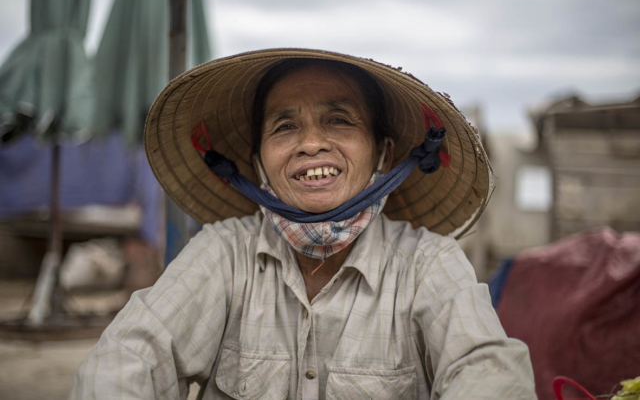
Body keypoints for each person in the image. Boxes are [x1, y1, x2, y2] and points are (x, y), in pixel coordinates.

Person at [70, 49, 535, 399]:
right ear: (256, 163)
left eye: (338, 120)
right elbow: (129, 356)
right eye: (285, 127)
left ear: (384, 154)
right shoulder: (224, 253)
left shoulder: (427, 263)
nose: (311, 144)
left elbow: (489, 371)